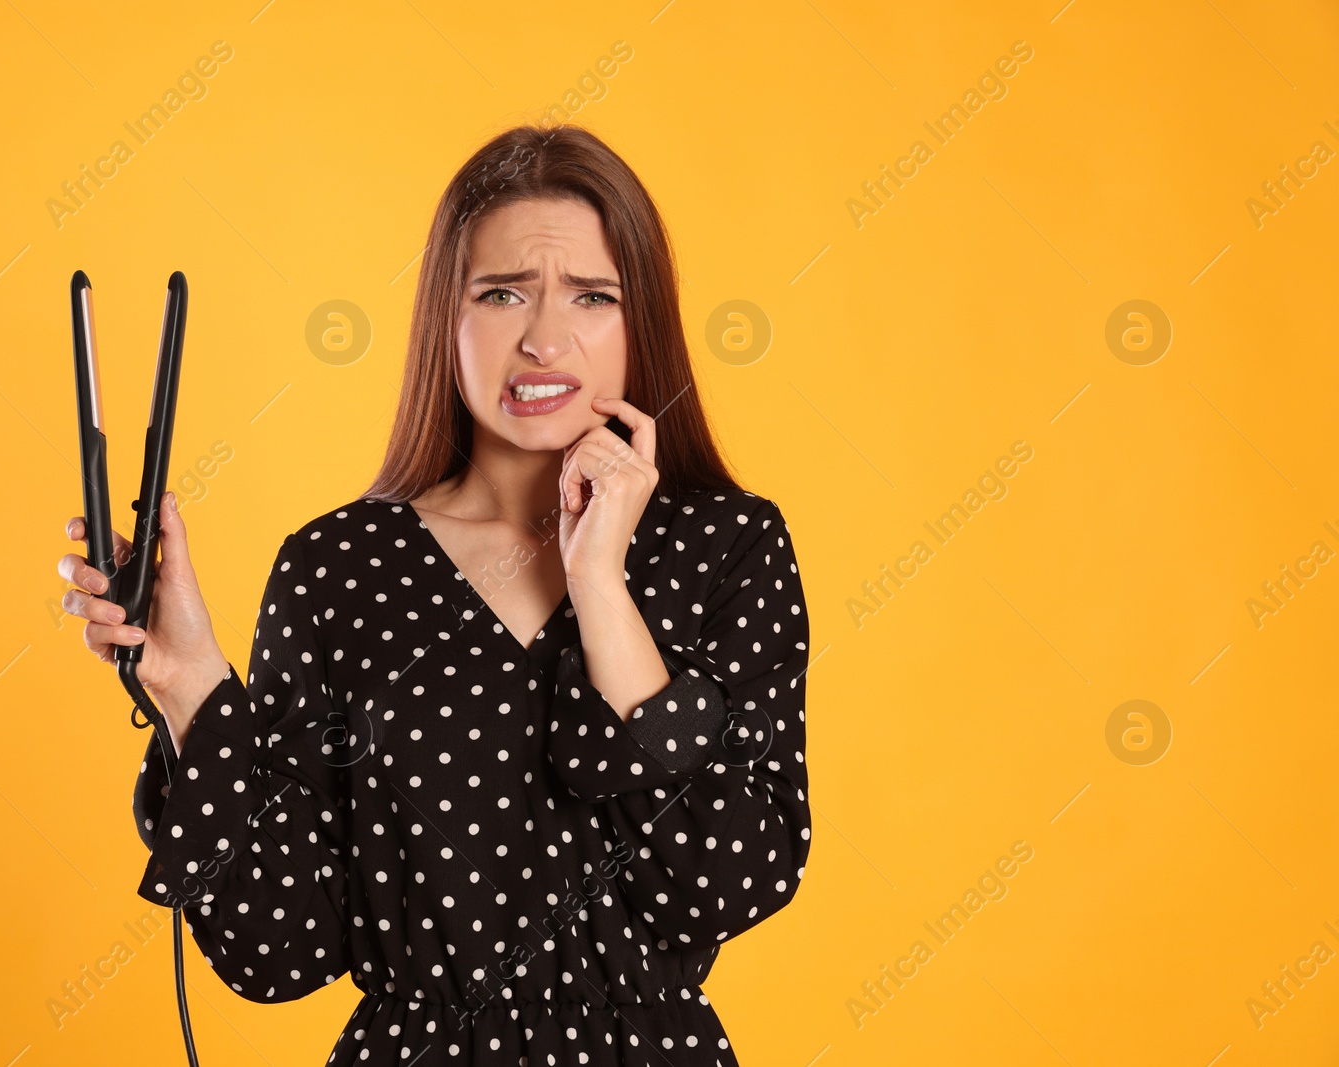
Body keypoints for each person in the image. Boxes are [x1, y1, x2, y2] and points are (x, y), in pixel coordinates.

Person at [58, 123, 811, 1065]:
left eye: (592, 296)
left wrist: (601, 585)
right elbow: (278, 949)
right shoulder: (340, 568)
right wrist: (190, 690)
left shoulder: (725, 548)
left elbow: (727, 880)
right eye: (501, 294)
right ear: (443, 320)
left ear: (641, 322)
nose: (542, 338)